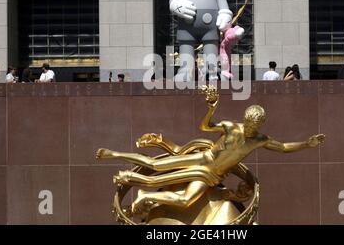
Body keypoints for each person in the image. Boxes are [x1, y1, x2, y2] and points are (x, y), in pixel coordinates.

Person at [96, 86, 325, 214]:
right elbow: (205, 127)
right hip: (202, 159)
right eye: (248, 123)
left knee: (185, 200)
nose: (250, 128)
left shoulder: (260, 140)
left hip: (211, 176)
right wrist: (211, 109)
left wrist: (307, 143)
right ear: (245, 120)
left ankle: (145, 194)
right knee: (155, 166)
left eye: (254, 126)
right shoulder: (231, 128)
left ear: (260, 126)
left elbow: (283, 148)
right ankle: (114, 154)